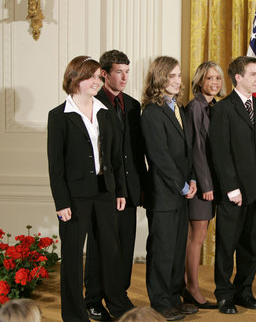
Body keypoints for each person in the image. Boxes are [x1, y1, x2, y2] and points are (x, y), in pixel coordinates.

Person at [47, 56, 133, 321]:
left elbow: (115, 156)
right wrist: (61, 203)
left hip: (104, 191)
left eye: (99, 76)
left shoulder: (104, 112)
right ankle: (74, 315)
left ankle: (116, 305)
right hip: (74, 197)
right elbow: (56, 166)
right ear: (75, 78)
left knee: (110, 251)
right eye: (91, 77)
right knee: (72, 257)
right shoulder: (59, 116)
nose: (97, 81)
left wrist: (120, 190)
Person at [84, 50, 146, 321]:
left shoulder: (132, 104)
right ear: (104, 74)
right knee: (100, 245)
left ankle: (119, 294)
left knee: (125, 245)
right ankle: (93, 299)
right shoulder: (93, 103)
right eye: (119, 72)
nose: (124, 77)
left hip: (129, 187)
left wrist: (141, 186)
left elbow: (135, 149)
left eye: (127, 72)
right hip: (104, 186)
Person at [209, 56, 256, 314]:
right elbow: (220, 152)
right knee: (227, 246)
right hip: (233, 193)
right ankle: (224, 294)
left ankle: (244, 291)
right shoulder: (222, 109)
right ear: (238, 77)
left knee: (250, 246)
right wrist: (231, 188)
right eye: (253, 74)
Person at [141, 56, 199, 321]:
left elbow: (187, 152)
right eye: (172, 76)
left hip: (181, 192)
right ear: (160, 77)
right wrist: (182, 184)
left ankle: (174, 296)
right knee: (163, 250)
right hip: (164, 193)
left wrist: (192, 180)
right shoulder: (152, 112)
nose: (178, 80)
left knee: (176, 248)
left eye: (179, 75)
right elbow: (159, 156)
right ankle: (161, 302)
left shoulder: (179, 108)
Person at [182, 61, 225, 310]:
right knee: (196, 237)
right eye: (209, 78)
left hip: (212, 182)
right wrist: (206, 184)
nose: (215, 83)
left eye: (218, 78)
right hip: (200, 184)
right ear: (200, 81)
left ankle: (189, 285)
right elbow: (196, 149)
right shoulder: (196, 107)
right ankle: (192, 289)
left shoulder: (214, 106)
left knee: (199, 235)